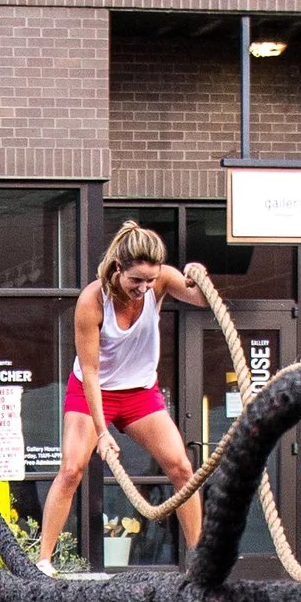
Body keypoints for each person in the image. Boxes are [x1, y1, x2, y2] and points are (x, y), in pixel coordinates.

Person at [36, 223, 211, 573]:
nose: (143, 289)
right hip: (92, 391)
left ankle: (202, 561)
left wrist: (201, 280)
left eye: (150, 281)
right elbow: (91, 371)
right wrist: (102, 432)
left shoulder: (160, 280)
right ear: (118, 269)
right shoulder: (91, 300)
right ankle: (42, 560)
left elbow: (201, 300)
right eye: (136, 281)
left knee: (181, 467)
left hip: (140, 393)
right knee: (72, 468)